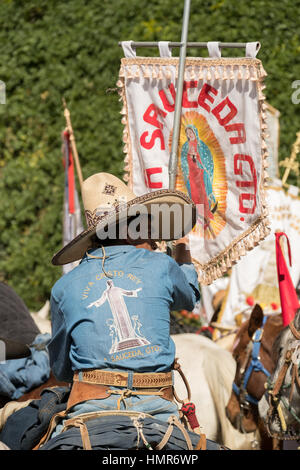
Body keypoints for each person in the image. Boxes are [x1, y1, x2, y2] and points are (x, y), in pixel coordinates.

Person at [48, 172, 200, 434]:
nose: (151, 236)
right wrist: (182, 252)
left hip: (89, 410)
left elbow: (62, 369)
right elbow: (189, 296)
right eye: (145, 226)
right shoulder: (162, 265)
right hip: (160, 411)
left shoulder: (63, 287)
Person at [180, 124, 217, 223]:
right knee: (194, 194)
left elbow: (207, 159)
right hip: (191, 174)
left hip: (200, 172)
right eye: (187, 133)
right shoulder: (185, 146)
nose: (189, 135)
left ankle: (206, 214)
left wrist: (198, 160)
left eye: (191, 132)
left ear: (195, 132)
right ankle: (199, 216)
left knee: (203, 194)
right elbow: (183, 160)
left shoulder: (201, 145)